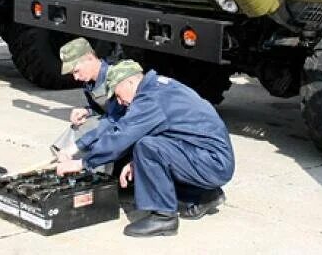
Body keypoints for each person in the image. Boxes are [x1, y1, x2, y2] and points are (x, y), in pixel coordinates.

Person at [56, 60, 235, 237]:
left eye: (118, 95)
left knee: (146, 146)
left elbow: (121, 136)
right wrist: (136, 163)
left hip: (213, 162)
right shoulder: (158, 87)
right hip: (206, 156)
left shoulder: (151, 99)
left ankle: (163, 217)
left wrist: (83, 163)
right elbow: (171, 131)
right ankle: (204, 195)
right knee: (145, 153)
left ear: (130, 82)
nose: (121, 101)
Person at [51, 37, 125, 160]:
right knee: (80, 126)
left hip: (124, 126)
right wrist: (87, 111)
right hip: (111, 120)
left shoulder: (115, 76)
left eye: (76, 71)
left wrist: (77, 146)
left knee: (96, 134)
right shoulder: (89, 82)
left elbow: (115, 119)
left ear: (89, 58)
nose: (75, 78)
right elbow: (101, 110)